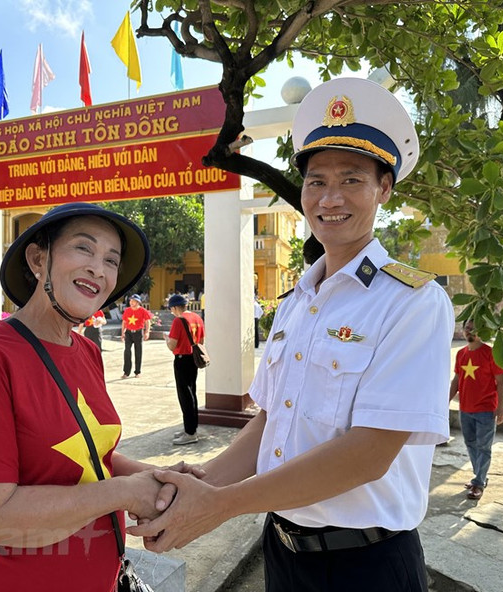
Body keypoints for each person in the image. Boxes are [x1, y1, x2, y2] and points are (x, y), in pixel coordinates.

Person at [130, 77, 454, 592]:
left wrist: (220, 506)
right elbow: (270, 419)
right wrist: (205, 480)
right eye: (316, 181)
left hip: (367, 566)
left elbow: (369, 453)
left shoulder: (412, 302)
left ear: (384, 189)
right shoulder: (297, 300)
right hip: (282, 552)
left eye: (351, 180)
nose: (330, 198)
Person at [0, 203, 198, 591]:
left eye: (111, 259)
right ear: (39, 258)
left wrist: (157, 477)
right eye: (83, 249)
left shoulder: (87, 351)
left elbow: (90, 454)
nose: (98, 269)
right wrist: (121, 493)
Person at [449, 320, 503, 500]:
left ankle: (478, 483)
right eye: (466, 328)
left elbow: (501, 382)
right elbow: (456, 380)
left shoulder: (491, 353)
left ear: (482, 331)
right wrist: (445, 401)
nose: (469, 332)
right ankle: (480, 477)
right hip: (465, 408)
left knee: (484, 447)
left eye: (473, 328)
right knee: (471, 444)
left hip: (486, 409)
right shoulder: (461, 354)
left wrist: (501, 407)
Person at [164, 294, 205, 445]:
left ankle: (190, 433)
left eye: (171, 309)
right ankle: (191, 428)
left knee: (185, 396)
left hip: (182, 359)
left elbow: (172, 345)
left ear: (175, 307)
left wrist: (166, 339)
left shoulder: (178, 320)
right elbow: (200, 341)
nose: (171, 312)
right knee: (191, 393)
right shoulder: (197, 318)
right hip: (193, 359)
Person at [121, 294, 152, 378]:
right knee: (127, 351)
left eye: (133, 301)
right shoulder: (127, 310)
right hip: (128, 332)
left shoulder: (143, 311)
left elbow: (147, 322)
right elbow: (124, 322)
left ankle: (137, 372)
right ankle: (126, 372)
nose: (131, 302)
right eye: (130, 301)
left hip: (138, 332)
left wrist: (147, 332)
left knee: (138, 352)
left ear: (138, 302)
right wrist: (122, 333)